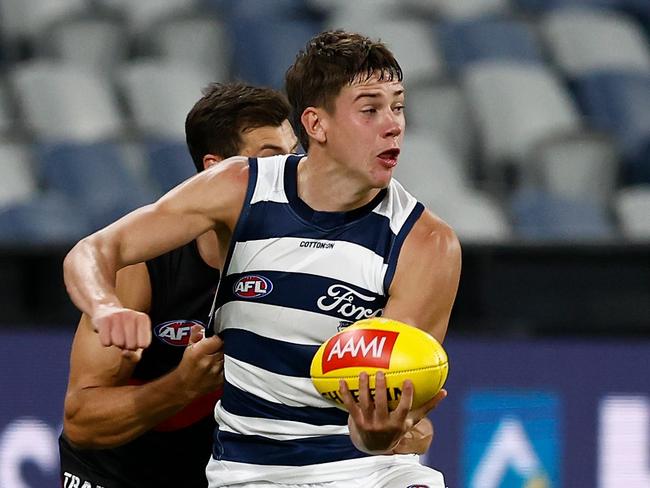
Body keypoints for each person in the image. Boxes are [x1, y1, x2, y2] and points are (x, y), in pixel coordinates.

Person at [63, 30, 461, 488]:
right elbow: (93, 250)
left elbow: (390, 420)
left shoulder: (426, 243)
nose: (393, 124)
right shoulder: (239, 188)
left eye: (398, 105)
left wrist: (381, 432)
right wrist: (105, 305)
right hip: (249, 474)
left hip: (365, 472)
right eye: (370, 109)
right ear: (316, 125)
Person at [59, 82, 299, 488]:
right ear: (216, 168)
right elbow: (82, 421)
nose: (291, 174)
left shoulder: (309, 261)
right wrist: (181, 386)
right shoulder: (145, 263)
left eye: (294, 157)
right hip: (114, 473)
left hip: (218, 471)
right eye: (270, 160)